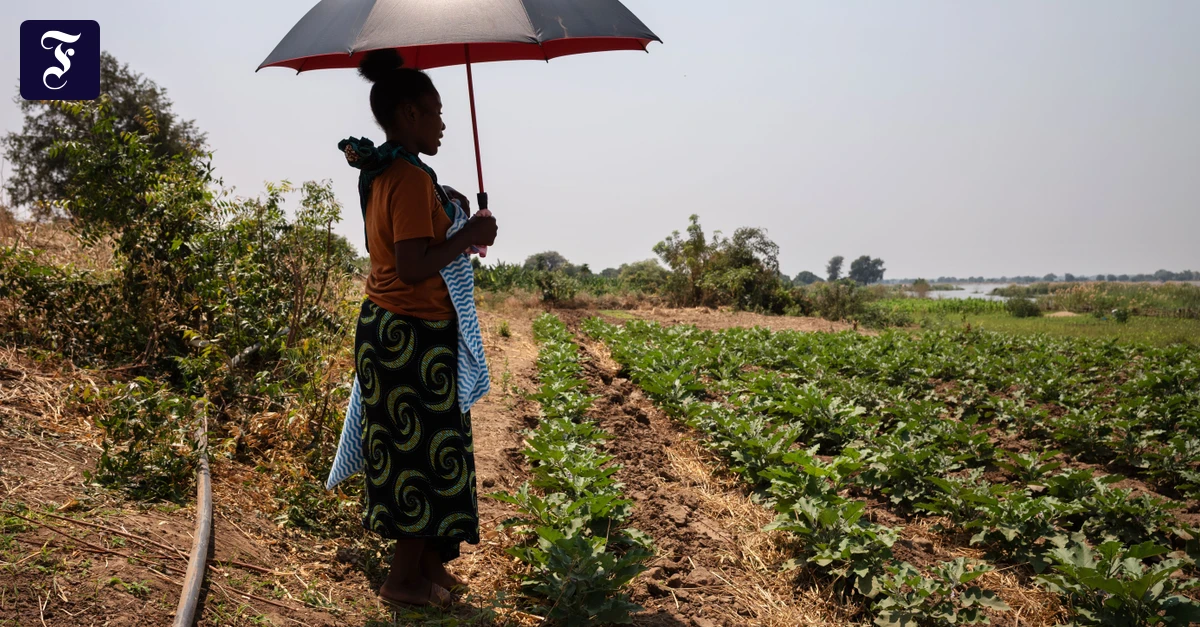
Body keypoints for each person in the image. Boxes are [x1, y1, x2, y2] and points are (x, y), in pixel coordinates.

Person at [341, 48, 497, 609]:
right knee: (420, 455)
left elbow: (411, 239)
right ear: (407, 114)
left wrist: (450, 207)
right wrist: (470, 233)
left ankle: (430, 565)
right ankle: (403, 581)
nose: (443, 123)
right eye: (434, 112)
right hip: (407, 335)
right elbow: (411, 265)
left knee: (436, 449)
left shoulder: (393, 171)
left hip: (402, 332)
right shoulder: (405, 176)